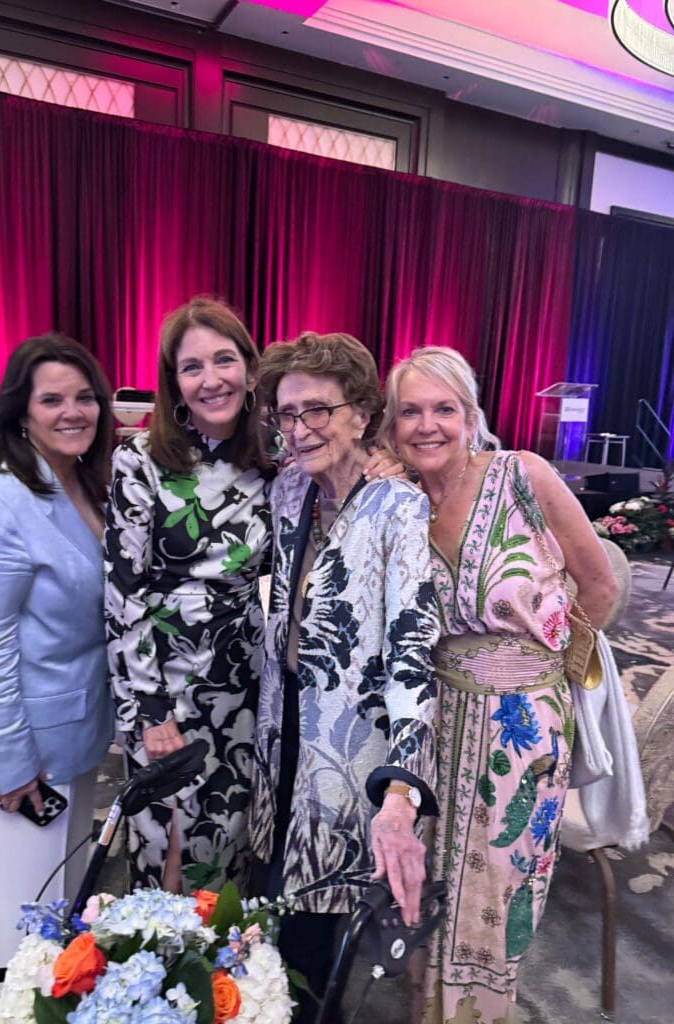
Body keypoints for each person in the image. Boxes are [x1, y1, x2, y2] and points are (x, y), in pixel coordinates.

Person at [378, 346, 619, 1024]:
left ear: (471, 415)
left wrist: (548, 679)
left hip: (523, 733)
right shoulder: (398, 503)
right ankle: (428, 1010)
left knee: (500, 892)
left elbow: (598, 586)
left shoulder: (523, 476)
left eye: (443, 409)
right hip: (434, 717)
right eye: (410, 411)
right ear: (392, 426)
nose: (428, 425)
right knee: (430, 883)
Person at [249, 331, 440, 1021]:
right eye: (286, 413)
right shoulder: (288, 490)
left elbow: (413, 652)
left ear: (361, 413)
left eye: (317, 411)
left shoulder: (399, 509)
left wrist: (401, 793)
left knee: (315, 942)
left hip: (348, 755)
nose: (298, 429)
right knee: (267, 916)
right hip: (279, 741)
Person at [0, 333, 114, 970]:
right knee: (29, 939)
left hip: (70, 733)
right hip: (20, 751)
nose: (73, 411)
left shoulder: (78, 481)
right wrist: (8, 764)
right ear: (19, 412)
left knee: (63, 917)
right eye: (52, 399)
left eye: (85, 397)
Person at [104, 297, 273, 894]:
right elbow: (123, 594)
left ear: (251, 372)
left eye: (223, 360)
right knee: (167, 841)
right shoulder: (140, 462)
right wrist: (150, 711)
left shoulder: (273, 465)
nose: (210, 379)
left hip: (243, 686)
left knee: (228, 840)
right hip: (164, 686)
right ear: (173, 381)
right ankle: (165, 978)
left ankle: (222, 983)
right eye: (191, 366)